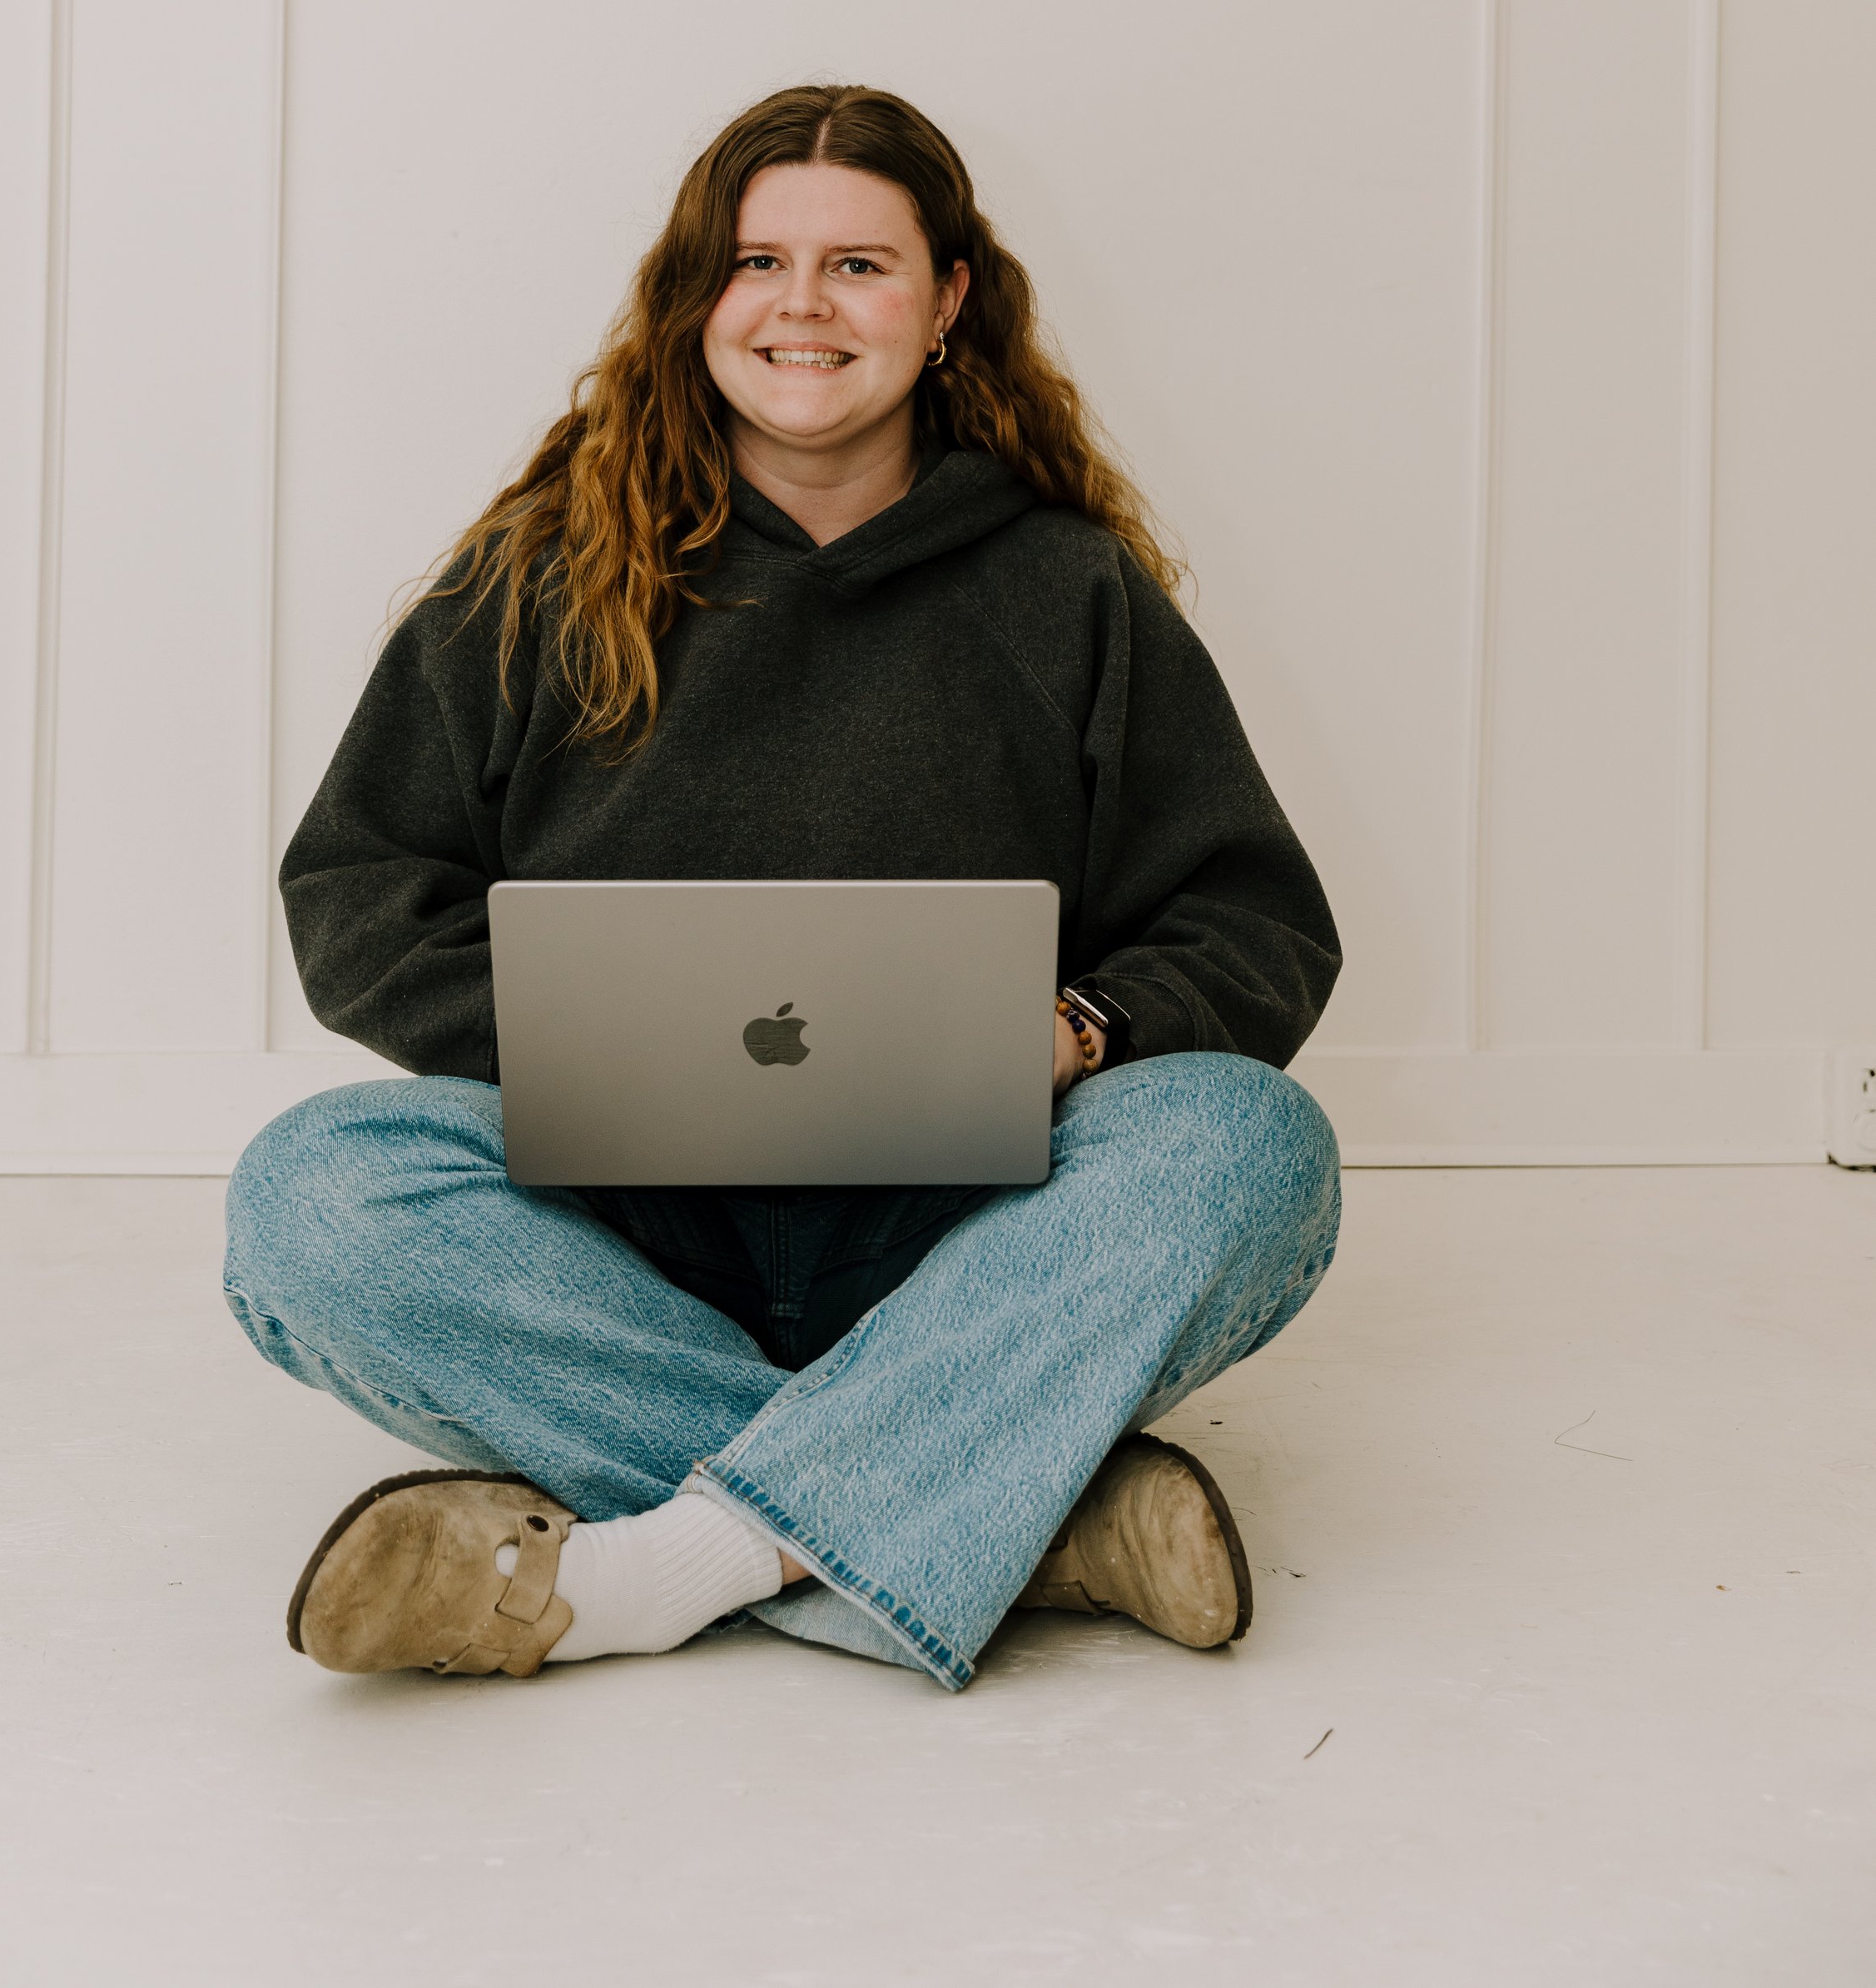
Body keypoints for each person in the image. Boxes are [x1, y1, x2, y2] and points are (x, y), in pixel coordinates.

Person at [224, 82, 1342, 1692]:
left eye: (861, 265)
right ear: (699, 298)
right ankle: (1018, 1513)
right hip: (613, 1232)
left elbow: (1253, 920)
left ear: (949, 301)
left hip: (966, 1230)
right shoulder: (535, 578)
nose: (803, 305)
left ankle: (648, 1569)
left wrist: (1083, 1029)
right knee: (310, 1198)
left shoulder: (1068, 587)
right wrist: (590, 1042)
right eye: (758, 260)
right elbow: (357, 885)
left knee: (1250, 1146)